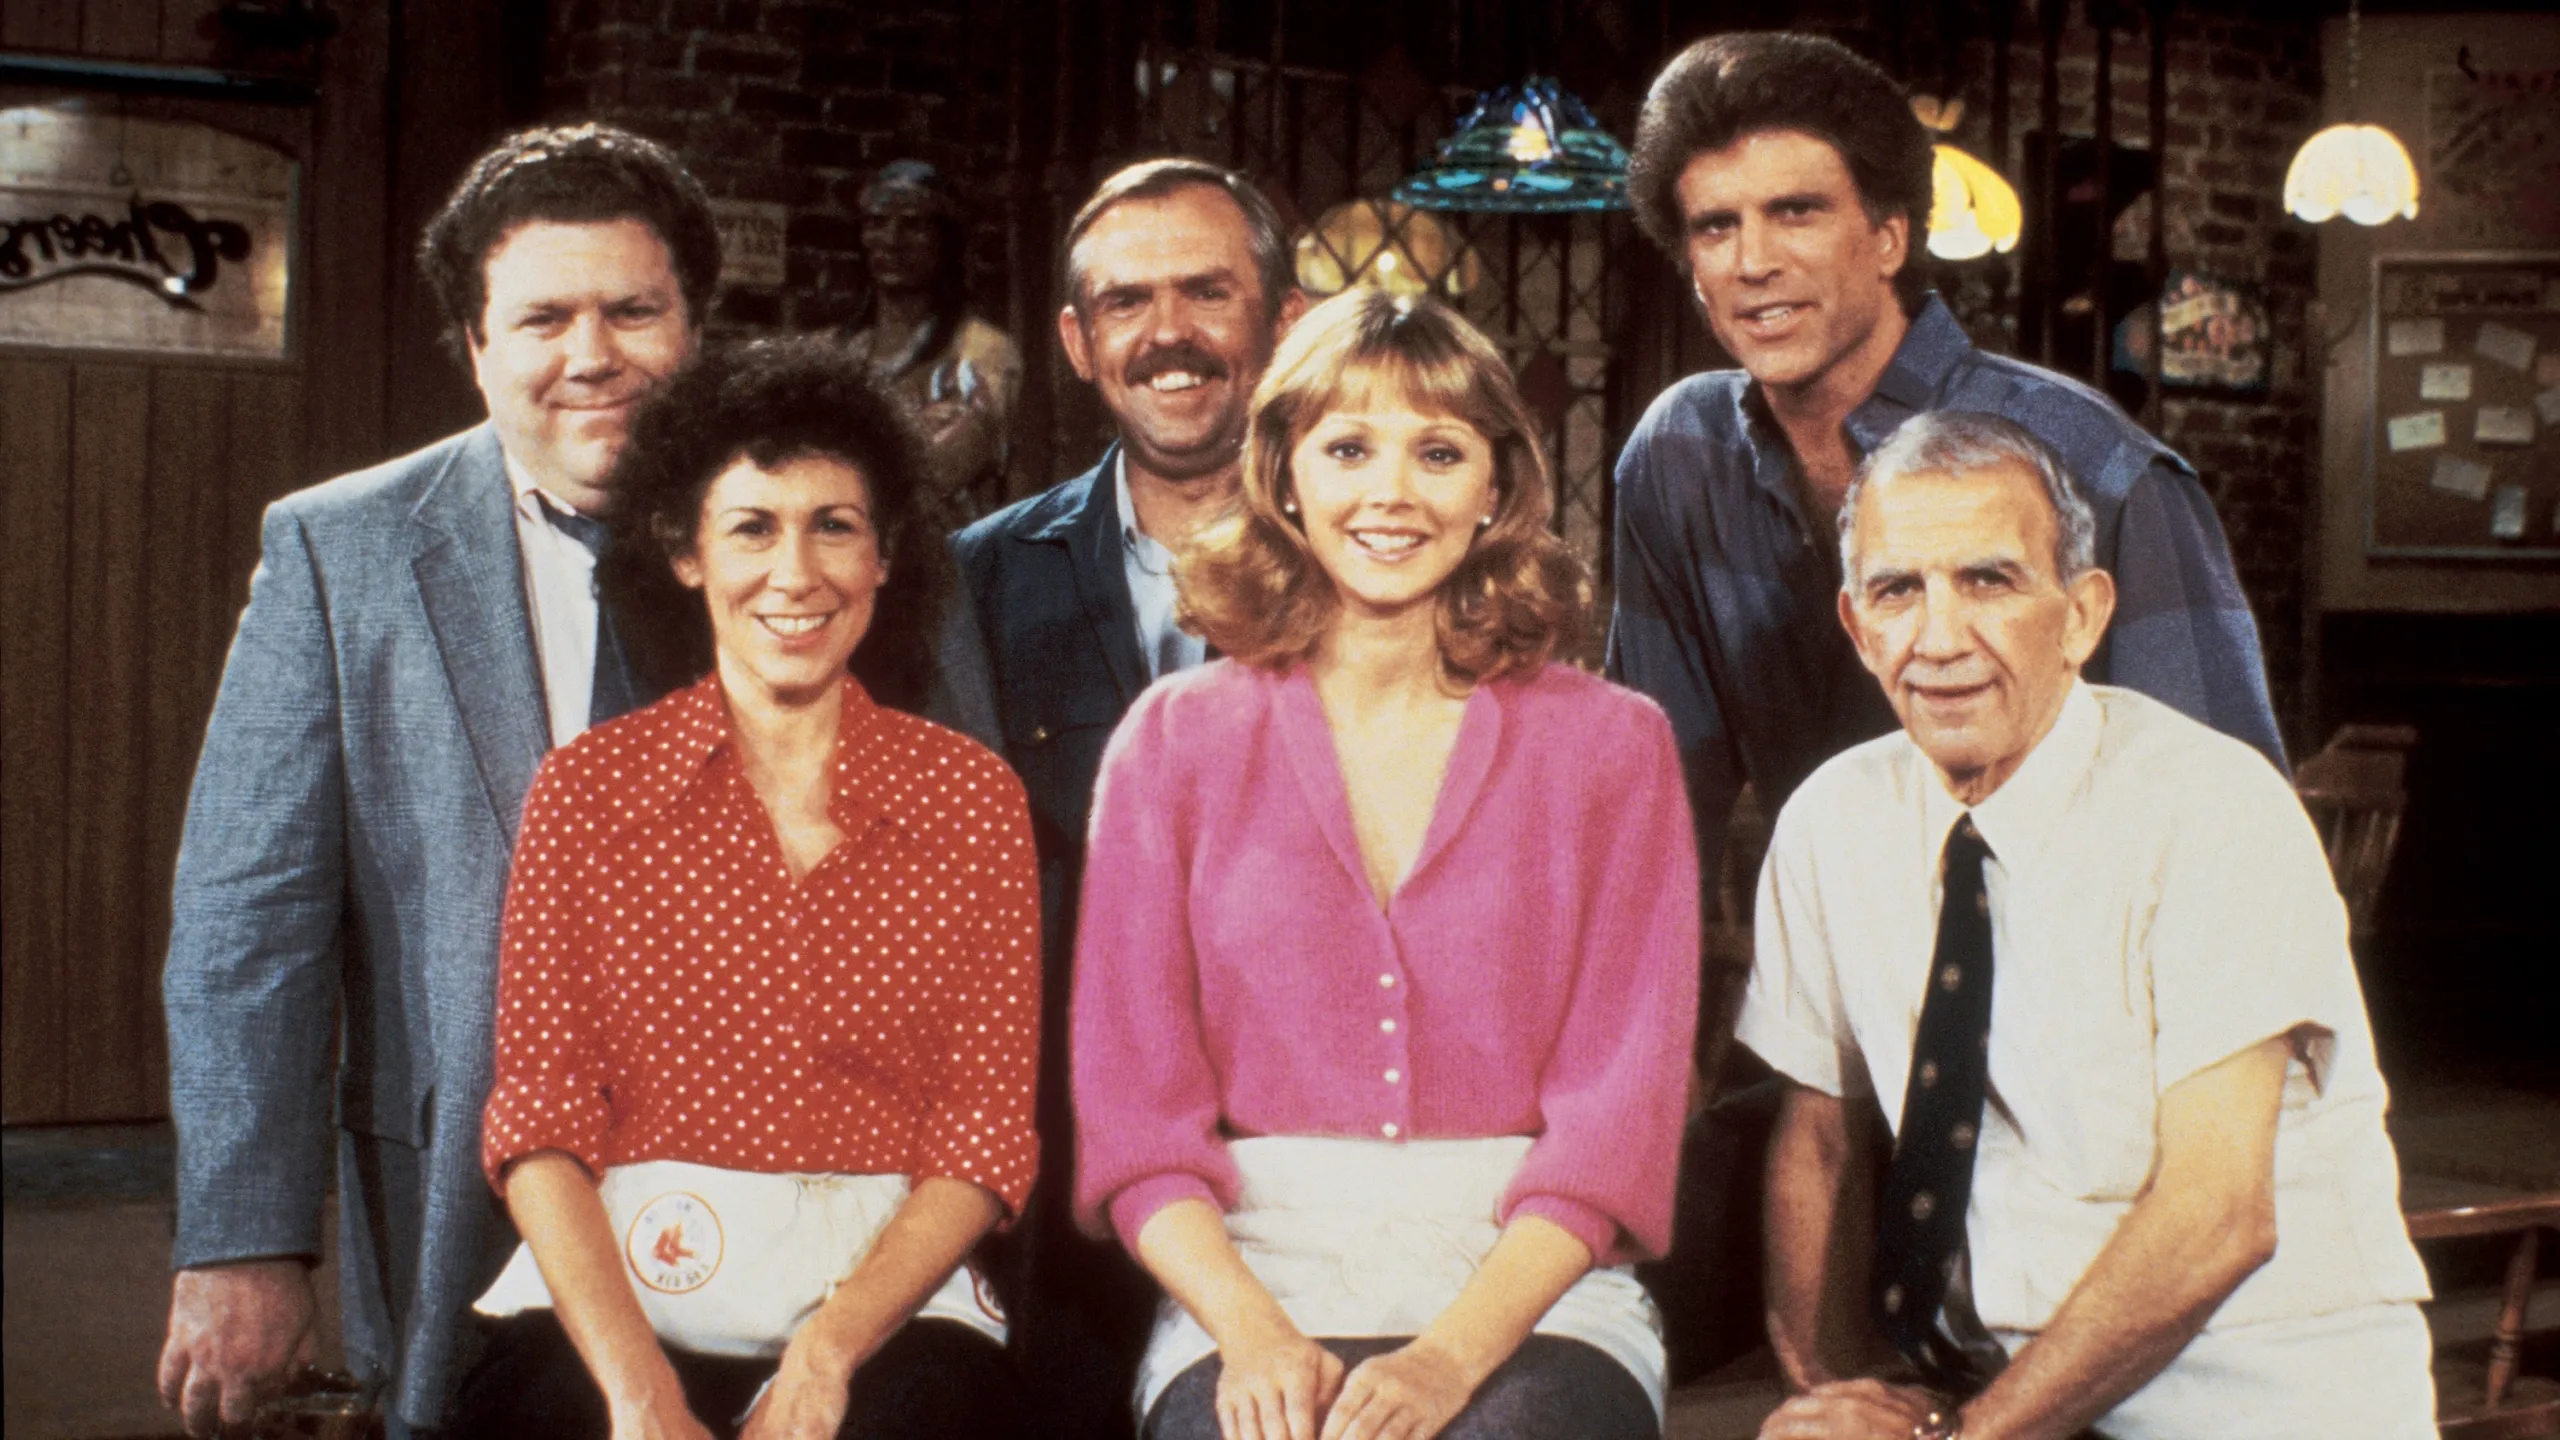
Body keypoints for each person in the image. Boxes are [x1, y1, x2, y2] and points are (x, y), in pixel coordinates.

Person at [157, 123, 718, 1438]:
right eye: (543, 319)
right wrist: (246, 1236)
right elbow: (249, 932)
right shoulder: (340, 554)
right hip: (462, 1213)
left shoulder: (818, 533)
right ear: (475, 348)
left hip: (794, 1201)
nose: (593, 357)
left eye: (635, 310)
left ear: (698, 326)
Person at [1073, 288, 1702, 1440]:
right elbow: (1134, 1127)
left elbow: (1619, 1122)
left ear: (1498, 487)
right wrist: (1254, 1336)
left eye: (1439, 451)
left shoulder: (1615, 747)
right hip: (1249, 1277)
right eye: (1349, 447)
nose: (1392, 493)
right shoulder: (1170, 743)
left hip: (1535, 1289)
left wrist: (1445, 1362)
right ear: (1285, 476)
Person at [1742, 412, 2432, 1440]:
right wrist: (1839, 1396)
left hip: (2259, 1396)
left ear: (2079, 615)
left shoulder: (2210, 807)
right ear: (1855, 625)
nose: (1937, 640)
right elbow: (1819, 1145)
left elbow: (2217, 1218)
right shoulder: (1831, 821)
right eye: (1898, 590)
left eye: (1988, 581)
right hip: (1995, 1392)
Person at [439, 337, 1041, 1440]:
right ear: (684, 551)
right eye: (753, 526)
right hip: (619, 1297)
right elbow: (539, 1119)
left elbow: (983, 1134)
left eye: (834, 526)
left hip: (889, 1306)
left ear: (885, 554)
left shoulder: (971, 799)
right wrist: (636, 1392)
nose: (795, 573)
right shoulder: (587, 791)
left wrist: (826, 1355)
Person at [1609, 30, 2285, 898]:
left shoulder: (2092, 462)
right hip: (1827, 980)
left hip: (2090, 985)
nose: (1753, 262)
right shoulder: (1681, 455)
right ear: (1690, 266)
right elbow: (1652, 813)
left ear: (1889, 237)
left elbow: (2233, 836)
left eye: (1796, 212)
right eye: (1715, 226)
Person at [948, 156, 1307, 1440]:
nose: (1168, 334)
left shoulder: (1373, 566)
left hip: (1307, 1152)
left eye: (1208, 292)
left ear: (1284, 315)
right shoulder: (972, 586)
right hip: (1061, 1172)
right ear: (1076, 342)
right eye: (1124, 302)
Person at [840, 159, 1025, 524]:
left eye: (913, 225)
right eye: (877, 223)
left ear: (944, 240)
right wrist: (914, 425)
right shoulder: (841, 352)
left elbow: (942, 467)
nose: (892, 241)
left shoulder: (983, 349)